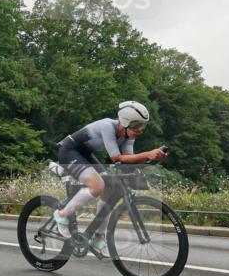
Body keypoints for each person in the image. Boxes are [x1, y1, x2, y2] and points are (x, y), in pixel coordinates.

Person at [53, 101, 167, 257]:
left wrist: (151, 159)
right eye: (136, 125)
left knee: (109, 189)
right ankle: (62, 214)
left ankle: (98, 237)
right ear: (125, 122)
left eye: (143, 126)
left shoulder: (128, 135)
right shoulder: (108, 126)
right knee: (97, 185)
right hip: (69, 151)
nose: (140, 130)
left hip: (85, 154)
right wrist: (148, 154)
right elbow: (116, 158)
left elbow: (127, 160)